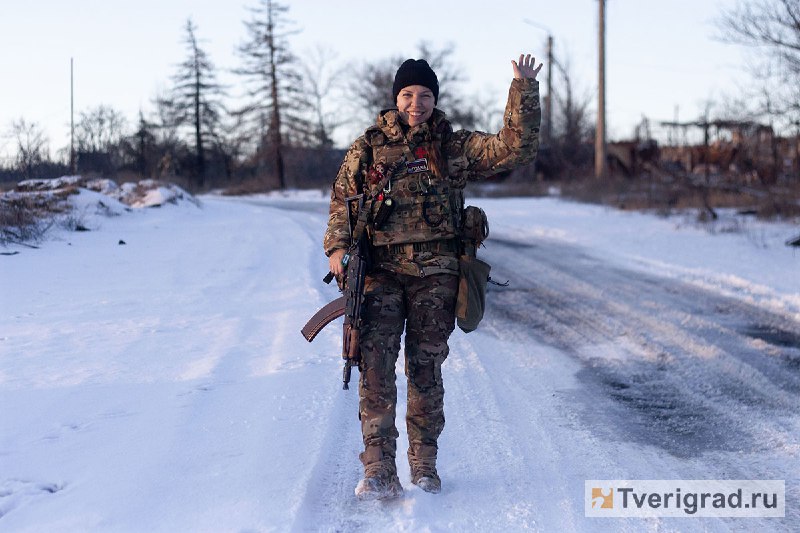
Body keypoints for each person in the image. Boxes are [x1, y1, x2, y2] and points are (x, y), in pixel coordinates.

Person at [324, 54, 542, 500]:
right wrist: (338, 249)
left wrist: (523, 90)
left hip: (436, 275)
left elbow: (515, 148)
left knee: (425, 370)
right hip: (380, 273)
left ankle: (424, 466)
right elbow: (342, 201)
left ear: (435, 99)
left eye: (425, 95)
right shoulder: (367, 148)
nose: (416, 103)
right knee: (376, 370)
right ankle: (378, 468)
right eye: (407, 94)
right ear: (395, 98)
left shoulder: (453, 147)